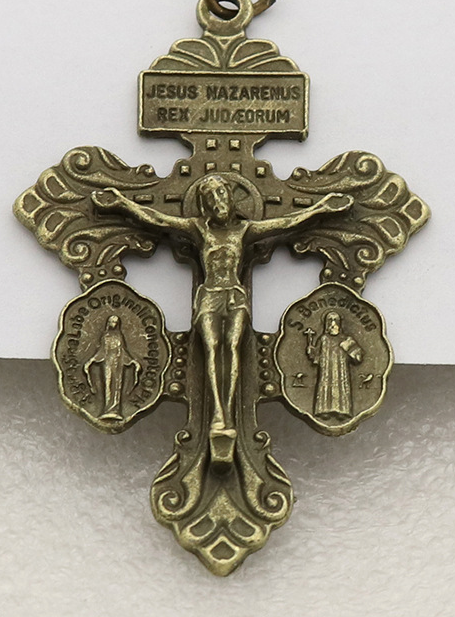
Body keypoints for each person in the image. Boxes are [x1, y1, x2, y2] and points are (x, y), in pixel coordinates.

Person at [92, 175, 353, 469]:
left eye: (221, 195)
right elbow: (158, 219)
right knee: (211, 349)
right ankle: (218, 414)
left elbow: (287, 223)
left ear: (231, 197)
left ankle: (227, 414)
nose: (218, 202)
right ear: (204, 206)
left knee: (232, 348)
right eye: (210, 198)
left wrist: (321, 208)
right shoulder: (198, 229)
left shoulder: (244, 230)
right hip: (210, 296)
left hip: (235, 297)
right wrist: (122, 203)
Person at [85, 314, 141, 422]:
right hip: (107, 363)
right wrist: (91, 360)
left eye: (115, 322)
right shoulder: (105, 336)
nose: (113, 324)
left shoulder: (119, 336)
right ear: (109, 323)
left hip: (118, 363)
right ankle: (107, 409)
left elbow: (123, 351)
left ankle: (116, 410)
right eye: (112, 322)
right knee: (108, 384)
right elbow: (102, 351)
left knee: (117, 385)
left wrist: (133, 361)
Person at [307, 311, 363, 419]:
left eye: (335, 320)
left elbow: (358, 357)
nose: (333, 324)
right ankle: (324, 410)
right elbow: (317, 358)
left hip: (341, 369)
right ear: (326, 324)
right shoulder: (323, 339)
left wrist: (348, 347)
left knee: (341, 386)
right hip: (326, 370)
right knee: (325, 385)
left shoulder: (346, 339)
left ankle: (342, 411)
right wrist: (311, 351)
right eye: (330, 321)